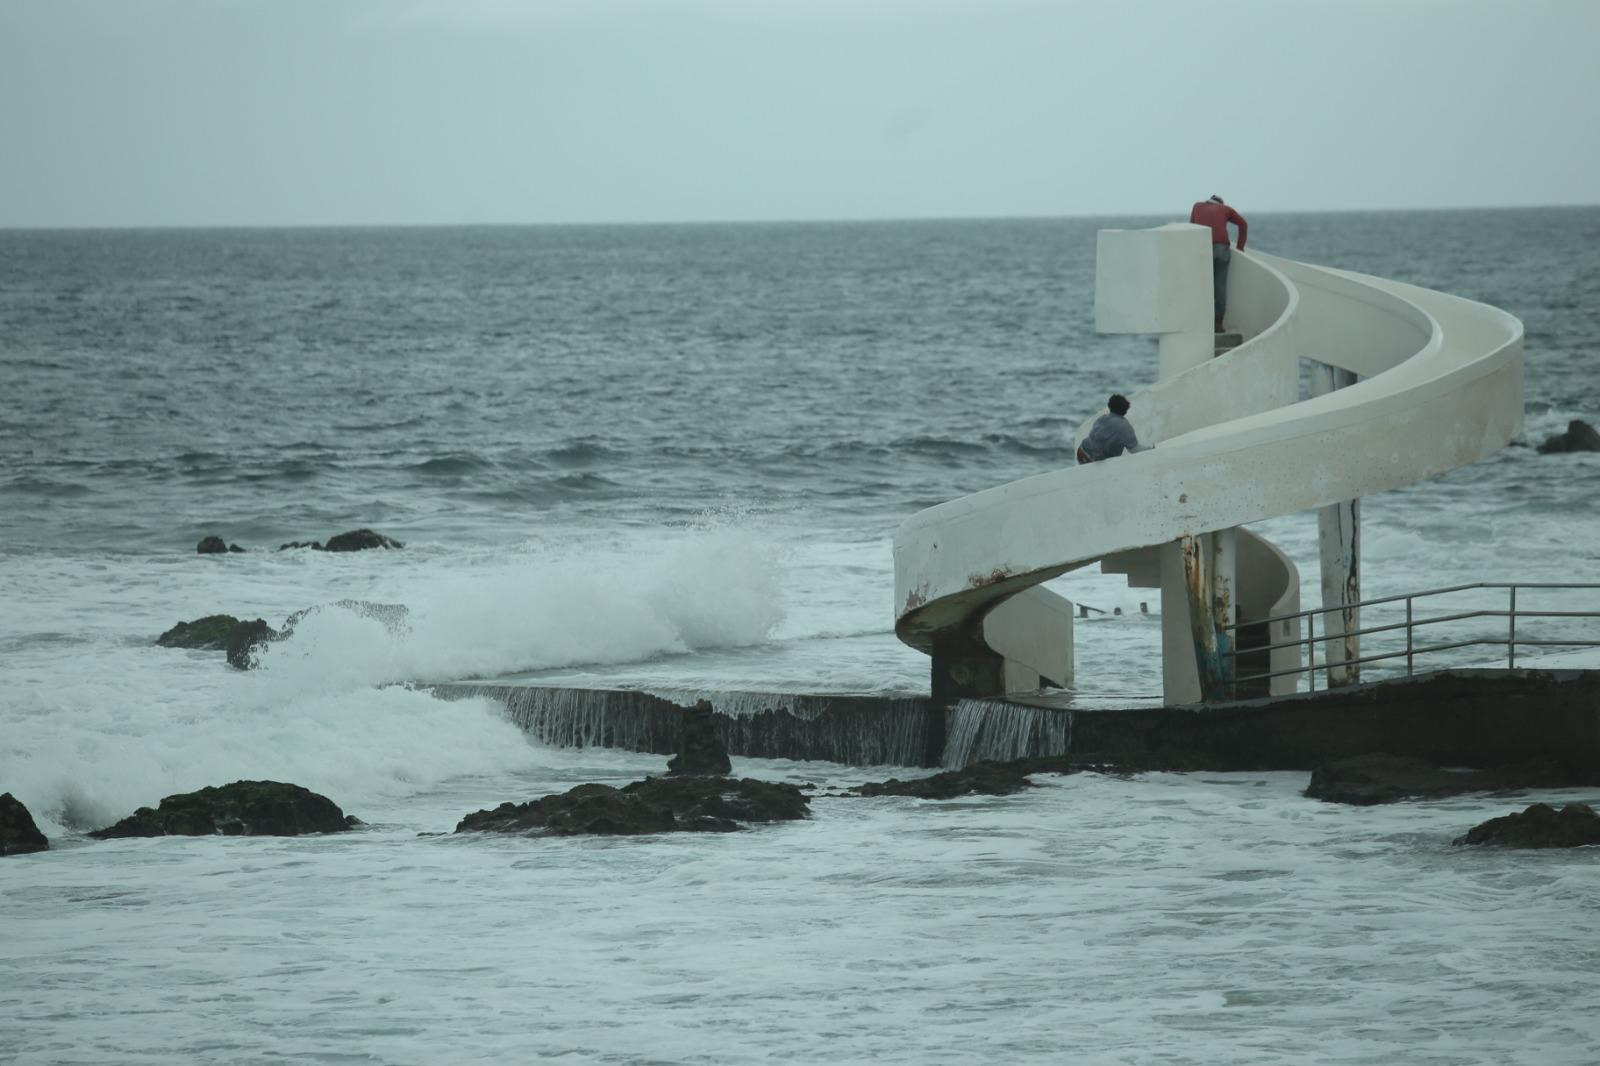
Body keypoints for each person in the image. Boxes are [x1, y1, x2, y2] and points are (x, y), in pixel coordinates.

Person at [1189, 194, 1248, 332]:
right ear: (1220, 203)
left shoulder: (1197, 206)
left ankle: (1201, 320)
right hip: (1221, 249)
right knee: (1220, 286)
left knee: (1202, 285)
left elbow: (1191, 228)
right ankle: (1218, 323)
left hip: (1203, 248)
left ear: (1208, 201)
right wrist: (1240, 247)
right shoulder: (1226, 209)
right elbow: (1243, 224)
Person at [1076, 394, 1151, 464]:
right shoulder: (1124, 426)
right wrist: (1151, 449)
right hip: (1091, 458)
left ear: (1110, 406)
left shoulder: (1102, 418)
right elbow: (1134, 449)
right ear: (1126, 409)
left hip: (1081, 451)